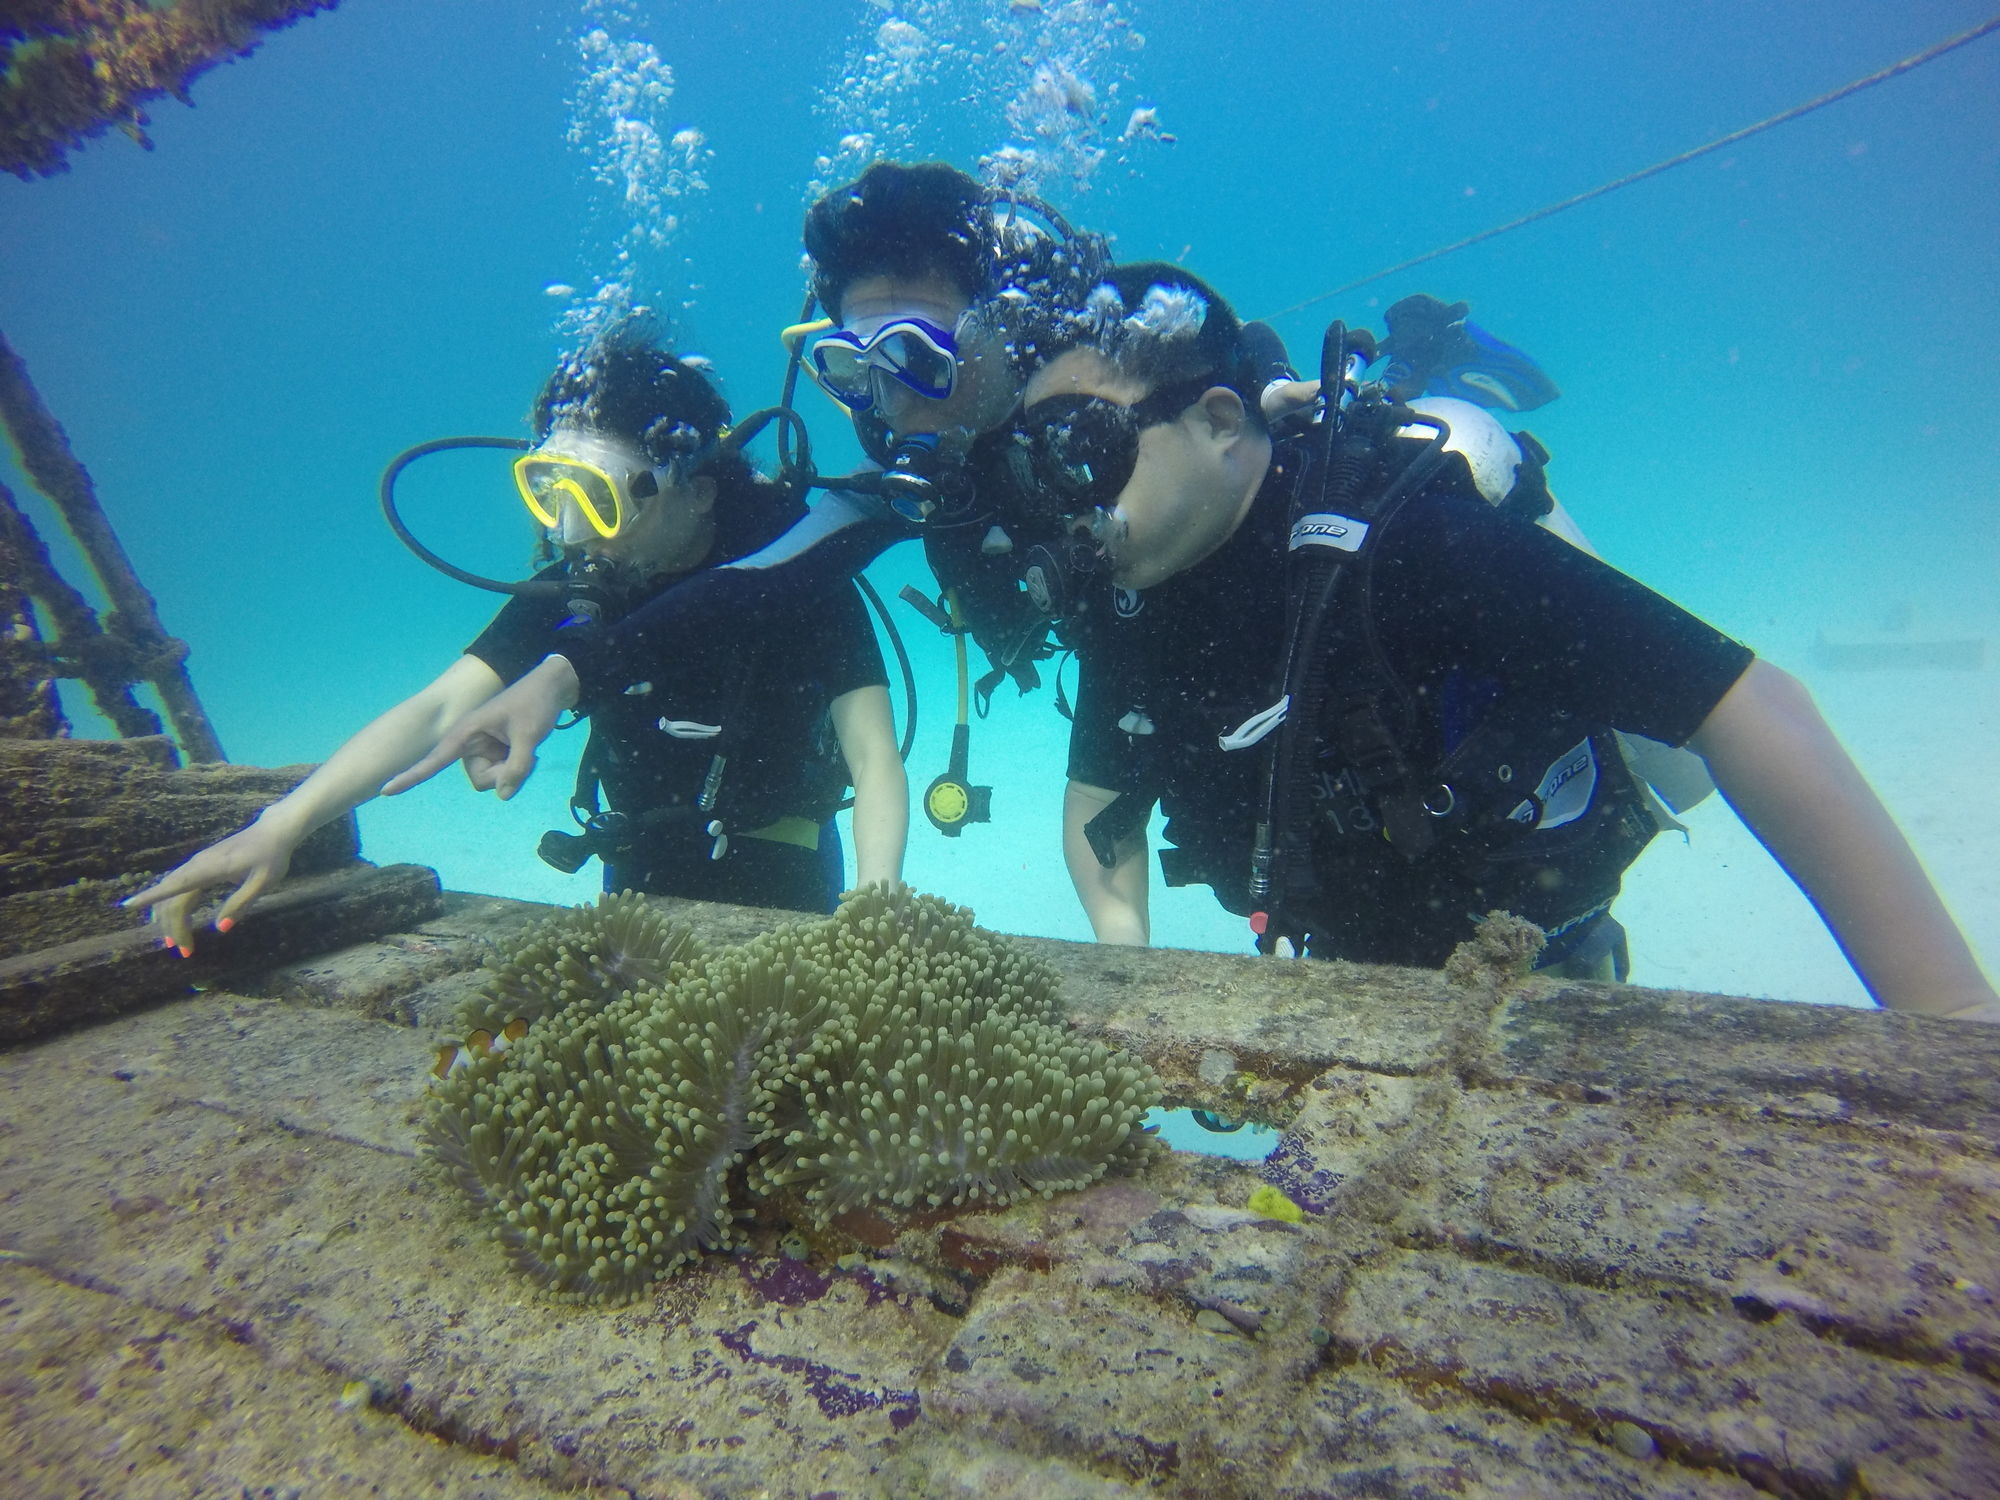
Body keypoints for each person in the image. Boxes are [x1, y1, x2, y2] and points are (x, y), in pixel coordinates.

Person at [1002, 261, 1997, 1021]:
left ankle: (1431, 360)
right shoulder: (1132, 607)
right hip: (1353, 976)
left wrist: (1950, 1025)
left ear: (1221, 419)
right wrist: (1125, 971)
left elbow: (1747, 705)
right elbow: (1102, 805)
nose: (1066, 510)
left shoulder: (1414, 547)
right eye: (1036, 471)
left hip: (1536, 946)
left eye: (1083, 453)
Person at [127, 323, 906, 952]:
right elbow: (439, 709)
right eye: (549, 491)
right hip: (636, 859)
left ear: (697, 490)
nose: (570, 531)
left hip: (785, 862)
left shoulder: (791, 576)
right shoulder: (584, 583)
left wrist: (875, 902)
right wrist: (281, 825)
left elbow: (872, 755)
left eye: (596, 498)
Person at [386, 161, 1114, 812]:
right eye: (854, 368)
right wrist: (564, 676)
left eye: (913, 352)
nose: (890, 400)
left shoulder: (1131, 419)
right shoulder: (901, 483)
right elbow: (747, 586)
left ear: (1008, 324)